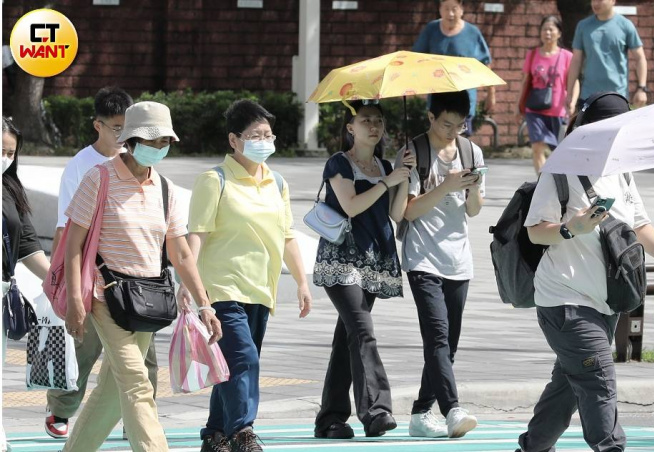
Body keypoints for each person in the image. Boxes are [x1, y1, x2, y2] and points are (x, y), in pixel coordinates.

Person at [517, 92, 654, 452]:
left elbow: (639, 225)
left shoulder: (621, 171)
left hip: (605, 304)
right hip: (565, 300)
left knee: (567, 388)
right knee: (598, 382)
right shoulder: (560, 172)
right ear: (588, 129)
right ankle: (612, 447)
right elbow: (534, 231)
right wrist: (569, 228)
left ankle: (532, 448)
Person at [61, 101, 222, 452]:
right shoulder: (99, 177)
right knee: (137, 383)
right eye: (153, 141)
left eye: (165, 141)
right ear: (131, 140)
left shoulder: (165, 189)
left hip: (146, 303)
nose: (159, 148)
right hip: (106, 296)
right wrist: (76, 300)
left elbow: (180, 254)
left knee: (111, 392)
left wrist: (205, 305)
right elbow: (72, 243)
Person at [184, 99, 312, 452]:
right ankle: (242, 431)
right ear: (233, 140)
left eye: (268, 134)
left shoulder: (277, 182)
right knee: (244, 359)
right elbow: (197, 234)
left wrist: (301, 281)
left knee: (230, 364)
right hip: (221, 288)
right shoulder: (214, 180)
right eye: (255, 135)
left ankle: (214, 434)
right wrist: (189, 283)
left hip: (261, 290)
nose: (264, 141)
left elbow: (287, 235)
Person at [44, 86, 161, 440]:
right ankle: (62, 408)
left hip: (137, 285)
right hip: (95, 283)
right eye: (116, 127)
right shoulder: (84, 168)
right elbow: (68, 232)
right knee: (86, 348)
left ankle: (133, 419)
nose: (123, 135)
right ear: (98, 125)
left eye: (129, 127)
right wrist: (72, 291)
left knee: (143, 364)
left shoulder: (147, 170)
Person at [313, 99, 413, 440]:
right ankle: (376, 410)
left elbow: (397, 215)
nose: (374, 126)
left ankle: (330, 419)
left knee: (349, 338)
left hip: (374, 261)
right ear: (350, 128)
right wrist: (386, 183)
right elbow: (352, 206)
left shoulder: (386, 166)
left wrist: (404, 178)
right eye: (366, 120)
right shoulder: (338, 163)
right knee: (362, 331)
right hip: (341, 261)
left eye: (379, 121)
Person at [394, 90, 483, 438]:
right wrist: (446, 185)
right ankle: (452, 410)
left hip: (459, 258)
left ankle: (419, 413)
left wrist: (473, 188)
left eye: (460, 125)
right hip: (423, 258)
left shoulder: (470, 151)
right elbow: (408, 211)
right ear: (430, 117)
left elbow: (474, 210)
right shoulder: (414, 152)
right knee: (437, 338)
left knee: (449, 344)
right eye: (447, 124)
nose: (453, 132)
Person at [2, 117, 51, 452]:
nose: (5, 158)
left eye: (9, 152)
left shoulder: (8, 187)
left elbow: (28, 244)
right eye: (0, 150)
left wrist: (60, 285)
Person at [414, 0, 494, 136]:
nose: (450, 13)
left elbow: (485, 63)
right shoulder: (431, 30)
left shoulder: (472, 33)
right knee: (438, 142)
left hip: (465, 97)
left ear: (461, 9)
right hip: (437, 98)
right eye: (446, 8)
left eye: (454, 8)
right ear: (440, 9)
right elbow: (416, 58)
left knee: (461, 143)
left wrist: (491, 94)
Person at [517, 15, 578, 173]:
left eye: (551, 29)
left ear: (559, 33)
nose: (547, 33)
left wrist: (572, 101)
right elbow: (525, 82)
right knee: (537, 147)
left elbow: (574, 82)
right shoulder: (532, 55)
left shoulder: (567, 56)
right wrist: (519, 105)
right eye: (544, 29)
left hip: (558, 111)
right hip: (534, 109)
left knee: (559, 151)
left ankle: (557, 184)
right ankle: (541, 184)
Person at [566, 0, 649, 110]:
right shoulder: (583, 26)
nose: (595, 3)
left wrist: (641, 88)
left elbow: (640, 58)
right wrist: (569, 93)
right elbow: (576, 60)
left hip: (618, 97)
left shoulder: (625, 25)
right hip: (589, 97)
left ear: (613, 1)